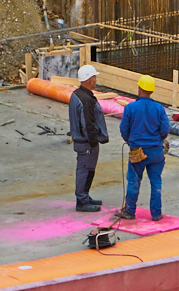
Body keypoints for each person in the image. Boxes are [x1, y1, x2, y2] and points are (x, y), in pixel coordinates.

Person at [118, 76, 172, 222]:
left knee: (134, 181)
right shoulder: (159, 108)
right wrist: (157, 139)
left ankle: (130, 210)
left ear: (139, 89)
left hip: (137, 151)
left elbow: (123, 129)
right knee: (156, 181)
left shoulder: (130, 108)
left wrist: (130, 141)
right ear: (151, 91)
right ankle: (156, 213)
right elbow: (165, 129)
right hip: (155, 151)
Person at [67, 64, 108, 211]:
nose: (95, 80)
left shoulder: (77, 94)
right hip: (86, 143)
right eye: (94, 77)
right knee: (85, 170)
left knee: (87, 169)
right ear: (89, 79)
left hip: (82, 141)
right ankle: (82, 201)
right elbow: (87, 124)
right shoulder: (86, 99)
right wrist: (94, 142)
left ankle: (85, 196)